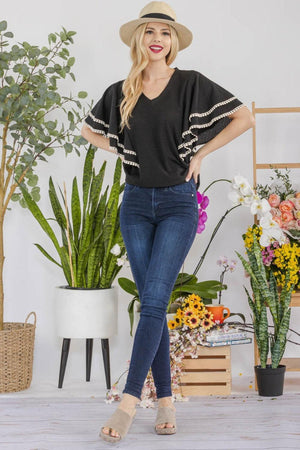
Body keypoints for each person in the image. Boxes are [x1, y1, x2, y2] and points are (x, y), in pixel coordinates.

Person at [81, 1, 255, 443]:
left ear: (172, 41)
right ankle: (166, 401)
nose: (157, 38)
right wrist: (118, 149)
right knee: (150, 303)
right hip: (135, 205)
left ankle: (127, 402)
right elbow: (87, 130)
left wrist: (201, 153)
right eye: (149, 31)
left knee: (154, 301)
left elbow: (244, 117)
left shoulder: (191, 85)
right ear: (139, 39)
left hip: (178, 203)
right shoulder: (122, 90)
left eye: (164, 32)